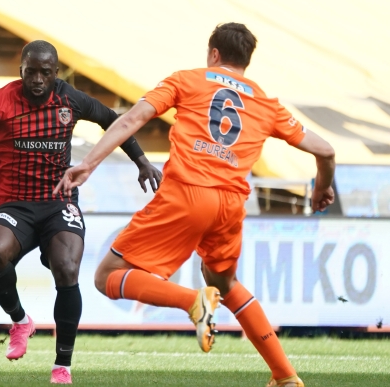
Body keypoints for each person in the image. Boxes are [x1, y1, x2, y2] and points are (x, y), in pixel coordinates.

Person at [54, 23, 336, 387]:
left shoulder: (187, 80)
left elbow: (133, 119)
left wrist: (88, 164)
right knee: (225, 280)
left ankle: (193, 301)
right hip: (232, 204)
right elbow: (326, 151)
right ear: (246, 61)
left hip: (188, 192)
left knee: (106, 276)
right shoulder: (268, 104)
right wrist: (321, 189)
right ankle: (284, 375)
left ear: (213, 54)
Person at [0, 40, 161, 384]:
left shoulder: (69, 98)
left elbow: (113, 121)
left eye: (46, 72)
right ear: (21, 70)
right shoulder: (2, 100)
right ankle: (20, 321)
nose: (38, 79)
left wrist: (142, 161)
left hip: (59, 201)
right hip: (16, 203)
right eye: (31, 72)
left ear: (56, 72)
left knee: (66, 267)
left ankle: (62, 365)